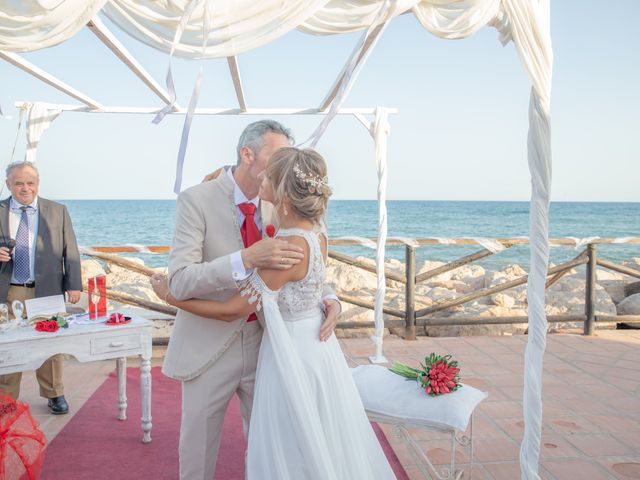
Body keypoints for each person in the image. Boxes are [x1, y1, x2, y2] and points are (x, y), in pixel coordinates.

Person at [152, 147, 396, 479]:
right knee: (300, 438)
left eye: (272, 172)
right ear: (248, 155)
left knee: (283, 443)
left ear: (283, 188)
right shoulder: (309, 230)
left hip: (283, 350)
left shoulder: (287, 235)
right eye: (268, 163)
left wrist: (169, 296)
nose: (265, 177)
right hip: (264, 348)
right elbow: (309, 273)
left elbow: (234, 308)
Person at [0, 161, 82, 414]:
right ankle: (6, 399)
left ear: (37, 184)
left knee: (50, 344)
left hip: (47, 288)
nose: (25, 188)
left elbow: (71, 249)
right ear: (8, 185)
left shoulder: (58, 211)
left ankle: (54, 393)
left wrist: (74, 284)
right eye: (19, 183)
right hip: (8, 289)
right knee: (7, 345)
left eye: (30, 183)